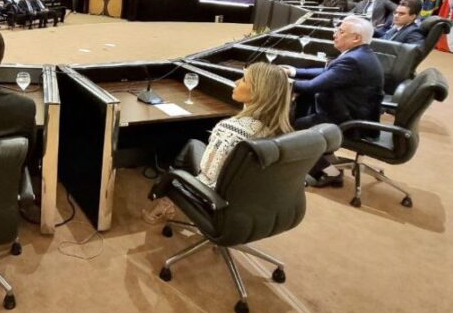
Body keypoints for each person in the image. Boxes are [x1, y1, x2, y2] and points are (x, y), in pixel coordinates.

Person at [142, 63, 294, 223]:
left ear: (257, 92)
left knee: (176, 174)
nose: (236, 82)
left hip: (219, 202)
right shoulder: (285, 133)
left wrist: (173, 180)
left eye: (243, 80)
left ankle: (164, 202)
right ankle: (166, 204)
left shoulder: (230, 129)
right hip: (258, 204)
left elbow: (207, 175)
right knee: (193, 145)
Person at [281, 15, 384, 188]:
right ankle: (323, 159)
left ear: (356, 38)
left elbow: (312, 86)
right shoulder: (360, 54)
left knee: (296, 125)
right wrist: (293, 71)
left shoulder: (353, 60)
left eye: (341, 31)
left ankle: (330, 172)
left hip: (351, 121)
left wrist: (276, 81)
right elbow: (328, 71)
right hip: (355, 111)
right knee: (303, 107)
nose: (335, 34)